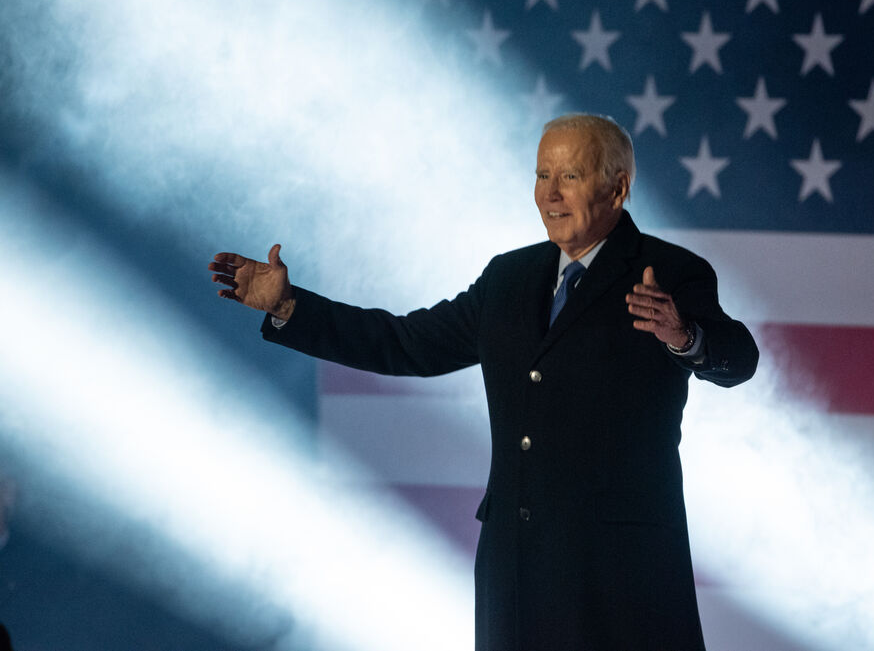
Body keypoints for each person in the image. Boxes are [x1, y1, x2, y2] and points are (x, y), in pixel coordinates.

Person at [209, 113, 758, 650]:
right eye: (543, 175)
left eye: (570, 176)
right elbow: (406, 343)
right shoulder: (509, 278)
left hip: (620, 573)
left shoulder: (668, 272)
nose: (551, 194)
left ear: (617, 189)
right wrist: (288, 306)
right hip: (516, 568)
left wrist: (685, 337)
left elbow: (739, 358)